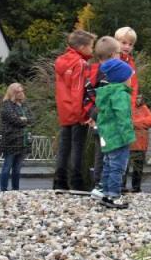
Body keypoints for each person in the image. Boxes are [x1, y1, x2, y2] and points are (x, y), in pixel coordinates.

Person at [53, 29, 97, 193]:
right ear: (82, 46)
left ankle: (60, 181)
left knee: (64, 147)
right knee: (77, 147)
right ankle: (76, 182)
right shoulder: (80, 64)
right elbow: (78, 91)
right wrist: (82, 114)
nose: (92, 50)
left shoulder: (60, 61)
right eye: (91, 46)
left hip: (64, 110)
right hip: (77, 111)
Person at [94, 58, 136, 209]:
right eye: (130, 77)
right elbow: (123, 117)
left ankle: (105, 192)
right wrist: (128, 136)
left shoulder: (105, 93)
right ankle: (113, 195)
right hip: (119, 137)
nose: (131, 80)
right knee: (118, 167)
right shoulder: (121, 95)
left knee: (108, 164)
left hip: (106, 135)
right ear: (123, 79)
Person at [88, 36, 120, 198]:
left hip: (99, 121)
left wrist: (91, 113)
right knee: (107, 155)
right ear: (114, 54)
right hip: (107, 122)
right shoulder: (110, 74)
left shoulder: (95, 72)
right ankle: (102, 186)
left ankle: (100, 185)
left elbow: (88, 95)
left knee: (103, 154)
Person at [0, 83, 33, 191]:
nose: (22, 93)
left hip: (23, 141)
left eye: (22, 91)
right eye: (19, 91)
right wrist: (23, 120)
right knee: (7, 167)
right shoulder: (7, 105)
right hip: (11, 141)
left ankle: (15, 189)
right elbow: (14, 120)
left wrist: (24, 119)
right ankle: (3, 190)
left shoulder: (24, 105)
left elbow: (32, 119)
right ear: (13, 92)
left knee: (17, 168)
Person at [123, 95, 151, 193]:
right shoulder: (129, 108)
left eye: (140, 98)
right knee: (125, 167)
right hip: (129, 143)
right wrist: (141, 124)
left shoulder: (145, 108)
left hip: (141, 144)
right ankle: (122, 186)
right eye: (137, 98)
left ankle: (136, 187)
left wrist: (136, 124)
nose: (139, 100)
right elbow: (127, 122)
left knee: (138, 168)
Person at [114, 26, 140, 108]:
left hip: (127, 105)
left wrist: (131, 105)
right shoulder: (111, 61)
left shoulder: (130, 62)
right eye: (124, 43)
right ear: (116, 42)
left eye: (130, 44)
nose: (127, 47)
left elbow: (134, 86)